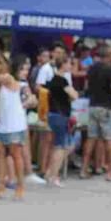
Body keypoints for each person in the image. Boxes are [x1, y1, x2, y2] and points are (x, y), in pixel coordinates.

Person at [81, 46, 111, 181]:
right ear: (108, 56)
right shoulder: (110, 70)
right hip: (107, 108)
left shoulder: (92, 68)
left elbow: (86, 87)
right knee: (110, 139)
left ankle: (84, 169)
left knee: (91, 138)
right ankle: (110, 172)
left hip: (93, 106)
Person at [0, 53, 26, 200]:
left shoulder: (7, 78)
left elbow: (5, 79)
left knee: (16, 155)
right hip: (0, 124)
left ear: (1, 65)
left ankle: (20, 186)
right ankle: (0, 186)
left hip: (14, 124)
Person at [44, 56, 79, 187]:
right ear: (63, 64)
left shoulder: (53, 80)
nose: (71, 66)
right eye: (69, 63)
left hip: (54, 114)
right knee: (61, 146)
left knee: (66, 145)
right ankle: (53, 175)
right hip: (60, 115)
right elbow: (74, 95)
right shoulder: (62, 80)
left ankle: (50, 172)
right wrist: (73, 94)